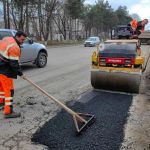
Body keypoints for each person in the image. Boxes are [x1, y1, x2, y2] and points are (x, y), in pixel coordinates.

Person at [0, 31, 27, 118]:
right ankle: (8, 112)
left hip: (1, 66)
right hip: (5, 70)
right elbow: (14, 64)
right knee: (9, 90)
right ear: (17, 37)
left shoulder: (7, 38)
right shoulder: (15, 47)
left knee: (1, 88)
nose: (23, 41)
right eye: (22, 39)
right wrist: (21, 74)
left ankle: (1, 103)